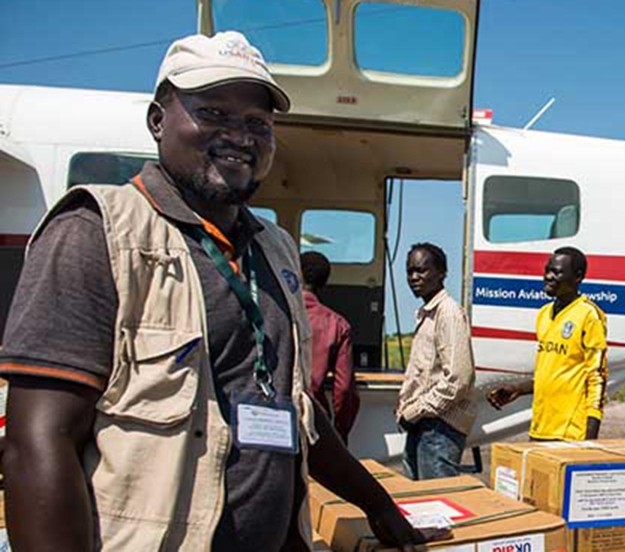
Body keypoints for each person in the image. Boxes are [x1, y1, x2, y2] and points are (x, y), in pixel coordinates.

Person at [0, 32, 444, 551]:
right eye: (212, 113)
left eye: (258, 123)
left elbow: (297, 412)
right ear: (158, 121)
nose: (240, 136)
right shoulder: (97, 232)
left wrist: (378, 504)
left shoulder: (275, 250)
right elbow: (36, 444)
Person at [486, 246, 608, 441]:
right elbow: (552, 373)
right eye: (547, 270)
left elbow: (597, 378)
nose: (549, 276)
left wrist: (589, 440)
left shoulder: (589, 315)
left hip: (570, 433)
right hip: (540, 428)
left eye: (557, 272)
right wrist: (517, 389)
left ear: (577, 277)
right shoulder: (543, 314)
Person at [394, 242, 477, 479]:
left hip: (439, 427)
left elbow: (459, 379)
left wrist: (416, 410)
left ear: (441, 273)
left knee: (437, 505)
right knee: (418, 502)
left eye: (422, 270)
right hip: (424, 424)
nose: (414, 277)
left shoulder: (448, 313)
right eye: (410, 271)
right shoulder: (427, 314)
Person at [302, 251, 360, 443]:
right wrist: (339, 432)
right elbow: (344, 389)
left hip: (274, 418)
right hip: (315, 419)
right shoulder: (337, 324)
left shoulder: (275, 314)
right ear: (324, 283)